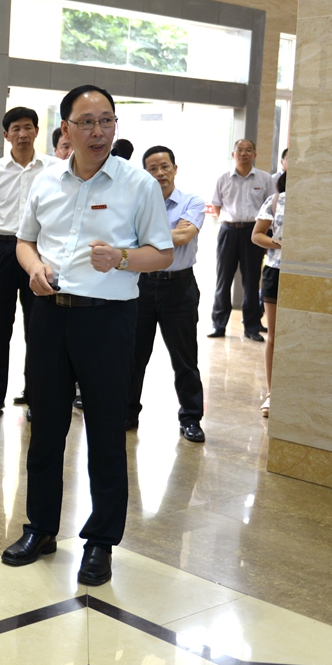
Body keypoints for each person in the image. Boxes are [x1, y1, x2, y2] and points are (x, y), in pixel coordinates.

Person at [2, 84, 173, 586]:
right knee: (45, 427)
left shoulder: (138, 184)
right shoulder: (46, 181)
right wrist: (33, 267)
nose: (99, 132)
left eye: (107, 121)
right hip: (50, 315)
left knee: (105, 432)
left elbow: (162, 253)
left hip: (108, 320)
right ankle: (40, 528)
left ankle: (100, 541)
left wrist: (121, 258)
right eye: (87, 122)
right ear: (66, 129)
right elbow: (25, 241)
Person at [0, 107, 56, 419]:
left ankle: (36, 397)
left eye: (28, 127)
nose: (23, 134)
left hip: (38, 254)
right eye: (16, 129)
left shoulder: (52, 168)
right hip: (2, 250)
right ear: (6, 135)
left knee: (38, 328)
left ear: (36, 131)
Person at [127, 146, 206, 443]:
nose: (160, 173)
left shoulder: (192, 201)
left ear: (175, 168)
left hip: (180, 287)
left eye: (165, 167)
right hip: (142, 286)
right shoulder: (138, 203)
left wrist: (145, 235)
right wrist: (164, 232)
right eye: (153, 168)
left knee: (184, 358)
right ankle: (127, 413)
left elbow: (185, 236)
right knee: (134, 356)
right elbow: (128, 238)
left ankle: (191, 418)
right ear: (145, 173)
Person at [207, 139, 275, 341]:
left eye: (248, 150)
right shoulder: (223, 178)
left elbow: (271, 207)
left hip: (253, 233)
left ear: (254, 155)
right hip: (228, 232)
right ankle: (219, 325)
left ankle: (252, 326)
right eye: (240, 150)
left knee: (251, 281)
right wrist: (229, 220)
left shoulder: (264, 178)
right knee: (223, 279)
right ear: (233, 154)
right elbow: (217, 205)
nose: (244, 153)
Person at [252, 171, 285, 417]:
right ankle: (272, 394)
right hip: (276, 269)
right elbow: (257, 235)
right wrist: (280, 244)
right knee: (274, 335)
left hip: (307, 274)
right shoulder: (276, 200)